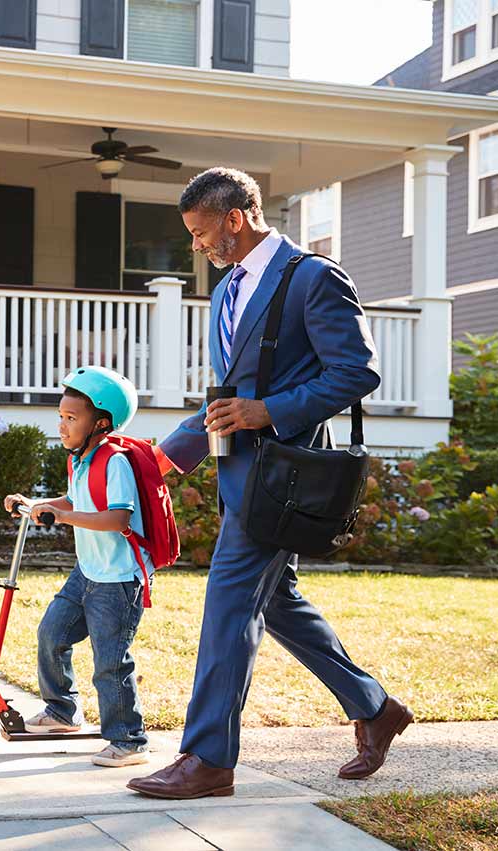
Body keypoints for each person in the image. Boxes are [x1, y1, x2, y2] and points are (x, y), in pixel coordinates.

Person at [127, 167, 411, 801]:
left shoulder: (313, 277)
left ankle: (207, 758)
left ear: (236, 218)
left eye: (201, 233)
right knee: (276, 602)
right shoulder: (227, 289)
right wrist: (171, 456)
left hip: (286, 476)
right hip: (241, 475)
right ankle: (375, 707)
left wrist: (270, 410)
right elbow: (232, 392)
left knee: (229, 602)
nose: (196, 246)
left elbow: (356, 373)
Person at [4, 366, 151, 769]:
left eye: (72, 419)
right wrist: (36, 505)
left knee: (110, 661)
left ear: (100, 423)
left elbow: (117, 519)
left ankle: (129, 740)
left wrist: (62, 518)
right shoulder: (80, 459)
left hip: (118, 581)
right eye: (61, 417)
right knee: (51, 633)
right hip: (87, 571)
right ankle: (62, 712)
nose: (63, 426)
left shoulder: (114, 461)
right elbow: (73, 501)